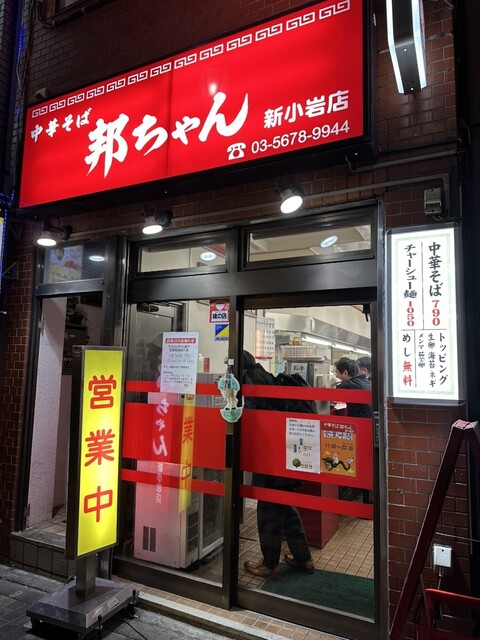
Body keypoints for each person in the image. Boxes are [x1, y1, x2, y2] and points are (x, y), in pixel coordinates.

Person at [242, 351, 314, 579]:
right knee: (286, 507)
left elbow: (252, 418)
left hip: (270, 456)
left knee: (269, 512)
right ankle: (303, 558)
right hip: (284, 452)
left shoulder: (251, 380)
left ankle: (269, 564)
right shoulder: (264, 375)